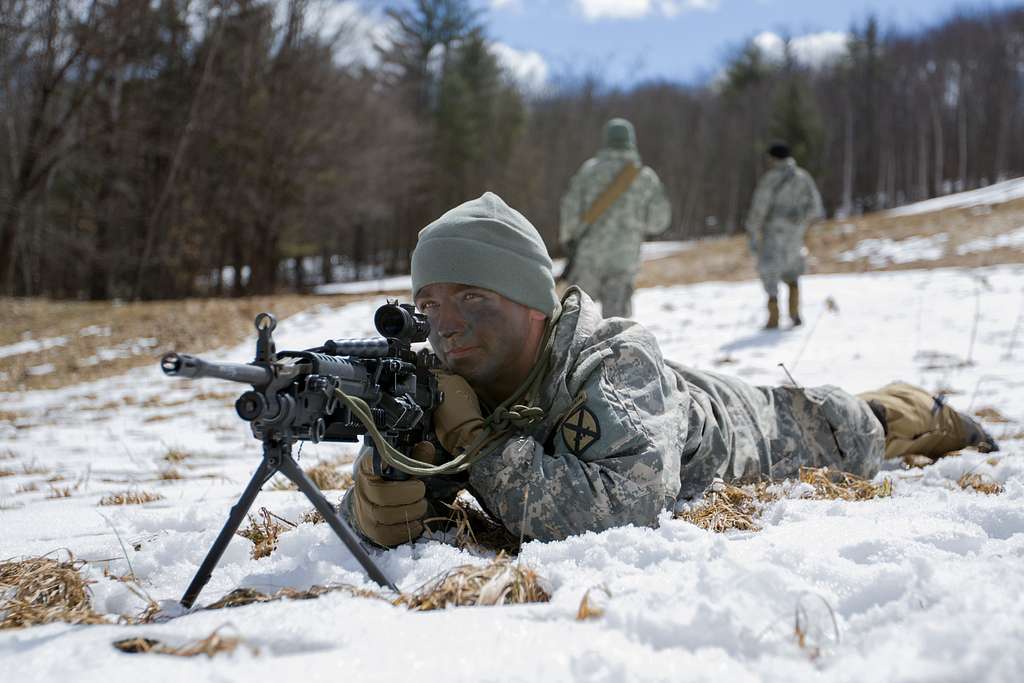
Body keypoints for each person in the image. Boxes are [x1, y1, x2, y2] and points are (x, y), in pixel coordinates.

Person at [345, 192, 997, 548]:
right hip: (669, 417)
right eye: (429, 304)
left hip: (749, 428)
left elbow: (622, 509)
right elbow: (372, 514)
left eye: (473, 298)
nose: (446, 324)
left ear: (533, 305)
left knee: (857, 425)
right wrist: (387, 480)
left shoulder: (617, 358)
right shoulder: (444, 380)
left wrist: (476, 442)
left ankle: (933, 412)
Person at [558, 118, 671, 318]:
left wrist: (568, 240)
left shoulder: (589, 171)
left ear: (606, 140)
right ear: (631, 141)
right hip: (624, 260)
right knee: (617, 328)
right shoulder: (645, 177)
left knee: (576, 323)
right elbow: (659, 222)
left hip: (587, 258)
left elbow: (569, 212)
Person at [745, 141, 824, 329]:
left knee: (769, 272)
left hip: (773, 234)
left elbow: (759, 209)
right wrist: (799, 221)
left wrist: (753, 232)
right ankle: (795, 314)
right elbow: (816, 207)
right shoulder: (803, 177)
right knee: (793, 271)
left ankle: (773, 319)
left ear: (773, 158)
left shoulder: (771, 179)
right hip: (795, 235)